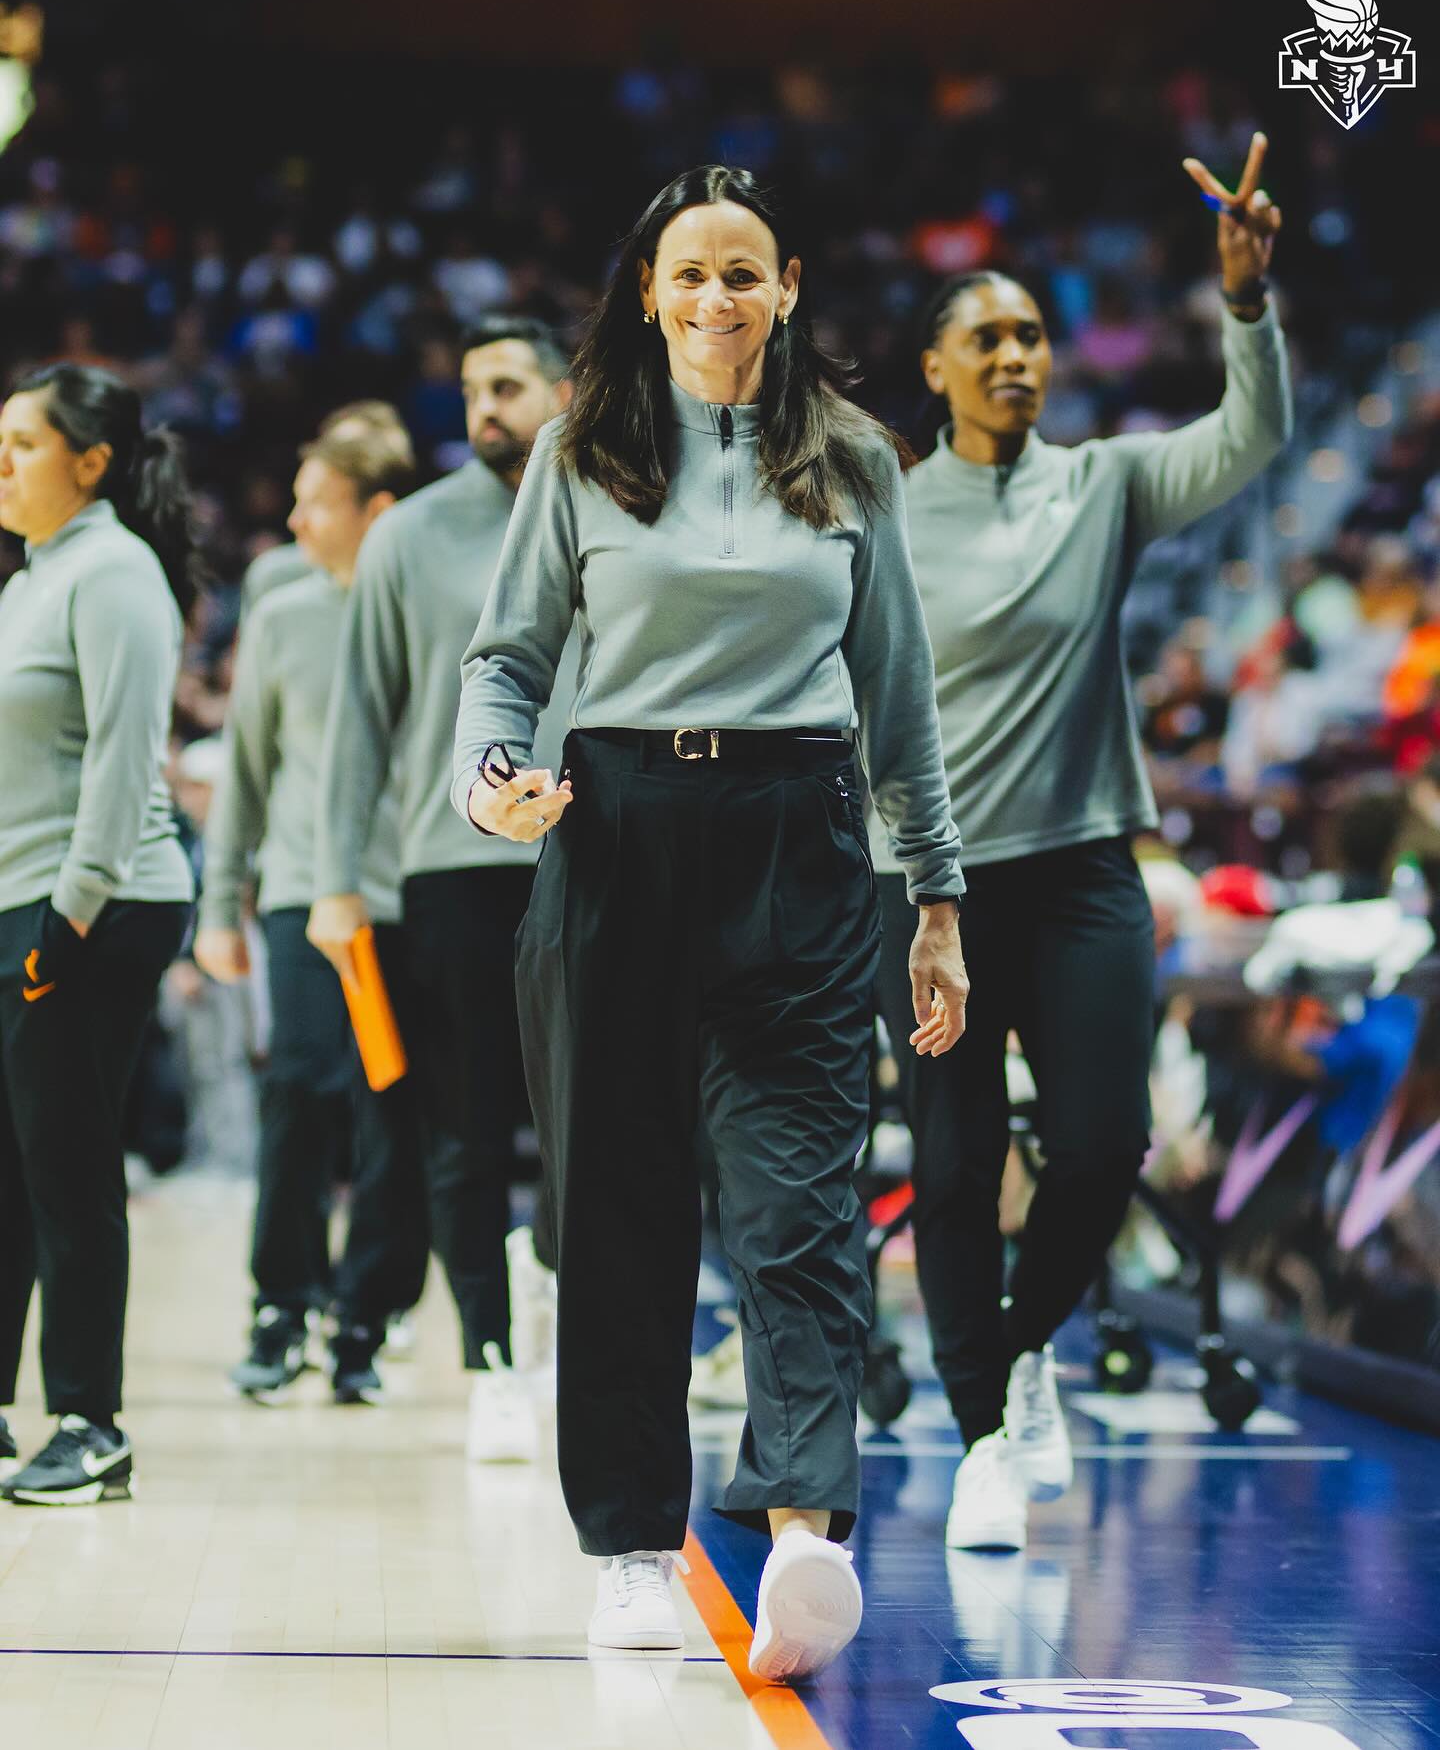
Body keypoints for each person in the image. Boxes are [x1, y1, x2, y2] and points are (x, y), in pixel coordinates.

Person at [453, 165, 968, 1682]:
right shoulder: (581, 452)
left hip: (800, 839)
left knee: (798, 1198)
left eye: (744, 273)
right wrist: (496, 781)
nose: (716, 299)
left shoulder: (857, 460)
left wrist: (934, 894)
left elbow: (903, 699)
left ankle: (805, 1528)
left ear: (789, 286)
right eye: (689, 275)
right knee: (613, 1203)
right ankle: (629, 1546)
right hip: (611, 826)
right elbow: (507, 662)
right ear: (648, 293)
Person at [871, 130, 1293, 1552]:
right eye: (984, 337)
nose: (1016, 355)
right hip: (926, 881)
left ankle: (1016, 1343)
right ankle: (986, 1430)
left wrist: (1246, 301)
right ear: (932, 369)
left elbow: (1253, 439)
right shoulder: (876, 512)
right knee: (951, 1152)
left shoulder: (1100, 486)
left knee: (1109, 1136)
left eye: (1033, 336)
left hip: (1084, 866)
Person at [308, 316, 575, 1461]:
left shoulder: (611, 511)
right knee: (461, 1135)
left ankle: (553, 1295)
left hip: (592, 858)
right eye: (471, 387)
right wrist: (335, 882)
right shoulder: (408, 536)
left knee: (590, 1128)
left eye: (508, 385)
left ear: (567, 390)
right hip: (452, 868)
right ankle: (490, 1361)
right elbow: (358, 721)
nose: (484, 408)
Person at [194, 414, 429, 1405]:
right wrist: (218, 903)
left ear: (377, 512)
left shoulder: (433, 610)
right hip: (301, 894)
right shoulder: (282, 614)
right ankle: (280, 1303)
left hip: (409, 897)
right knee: (299, 1087)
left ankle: (366, 1320)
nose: (290, 516)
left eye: (314, 499)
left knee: (398, 1113)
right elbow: (245, 772)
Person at [0, 364, 197, 1504]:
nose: (4, 462)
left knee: (68, 1171)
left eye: (24, 443)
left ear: (92, 461)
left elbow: (126, 763)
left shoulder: (115, 572)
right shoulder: (31, 579)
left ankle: (90, 1421)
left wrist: (68, 915)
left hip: (96, 905)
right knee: (6, 1170)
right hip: (29, 903)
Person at [238, 400, 412, 618]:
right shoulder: (275, 593)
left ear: (379, 509)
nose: (295, 522)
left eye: (318, 502)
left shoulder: (427, 602)